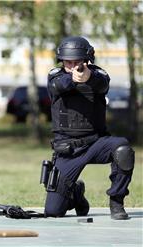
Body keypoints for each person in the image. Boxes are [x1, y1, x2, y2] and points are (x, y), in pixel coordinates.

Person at [44, 36, 135, 220]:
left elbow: (103, 84)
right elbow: (57, 86)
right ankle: (76, 193)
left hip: (96, 143)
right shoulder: (55, 75)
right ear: (61, 61)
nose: (72, 66)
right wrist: (74, 79)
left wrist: (88, 78)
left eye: (77, 61)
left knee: (123, 149)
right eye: (68, 62)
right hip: (69, 150)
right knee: (53, 211)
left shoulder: (98, 74)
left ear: (87, 60)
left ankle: (116, 201)